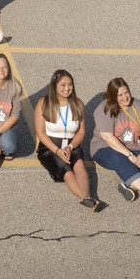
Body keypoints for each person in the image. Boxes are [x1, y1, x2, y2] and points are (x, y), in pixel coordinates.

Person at [90, 76, 140, 208]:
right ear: (112, 97)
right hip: (106, 148)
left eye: (126, 93)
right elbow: (108, 138)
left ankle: (132, 187)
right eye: (120, 95)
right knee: (119, 158)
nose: (125, 97)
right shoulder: (104, 109)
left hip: (135, 146)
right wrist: (130, 155)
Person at [33, 69, 102, 210]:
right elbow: (40, 132)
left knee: (79, 165)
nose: (67, 88)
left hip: (72, 145)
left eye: (70, 84)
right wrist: (57, 151)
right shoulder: (44, 103)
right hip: (50, 148)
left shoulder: (78, 104)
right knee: (67, 171)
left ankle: (87, 196)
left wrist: (70, 147)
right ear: (54, 86)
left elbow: (81, 132)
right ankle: (89, 199)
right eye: (63, 85)